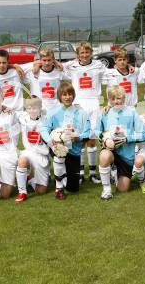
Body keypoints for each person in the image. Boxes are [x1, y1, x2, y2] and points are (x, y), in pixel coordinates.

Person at [62, 41, 106, 184]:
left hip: (93, 102)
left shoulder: (99, 65)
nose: (85, 55)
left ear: (91, 53)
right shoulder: (72, 66)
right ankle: (80, 172)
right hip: (78, 103)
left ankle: (92, 173)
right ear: (77, 55)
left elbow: (113, 73)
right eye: (82, 53)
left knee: (91, 139)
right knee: (79, 139)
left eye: (87, 52)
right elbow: (58, 67)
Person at [39, 82, 91, 200]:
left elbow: (88, 132)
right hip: (57, 147)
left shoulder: (82, 113)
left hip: (74, 151)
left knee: (73, 188)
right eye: (64, 95)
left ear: (73, 95)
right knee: (60, 152)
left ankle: (62, 176)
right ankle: (59, 188)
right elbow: (43, 128)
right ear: (59, 97)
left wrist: (78, 137)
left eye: (70, 94)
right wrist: (51, 141)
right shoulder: (53, 112)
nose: (67, 97)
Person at [96, 86, 145, 200]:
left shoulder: (132, 113)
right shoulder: (104, 113)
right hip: (111, 151)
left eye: (119, 98)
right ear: (109, 99)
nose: (116, 101)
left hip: (126, 155)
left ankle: (115, 173)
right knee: (104, 155)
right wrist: (102, 137)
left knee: (123, 189)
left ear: (124, 98)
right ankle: (106, 190)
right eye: (113, 99)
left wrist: (127, 139)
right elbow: (97, 131)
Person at [15, 97, 50, 203]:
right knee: (22, 159)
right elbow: (8, 113)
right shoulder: (22, 117)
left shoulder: (47, 119)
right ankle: (22, 192)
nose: (31, 111)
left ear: (40, 108)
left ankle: (29, 179)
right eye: (29, 108)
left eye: (35, 108)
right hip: (29, 152)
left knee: (41, 191)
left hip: (42, 155)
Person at [0, 49, 27, 113]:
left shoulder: (17, 71)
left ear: (8, 62)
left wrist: (14, 65)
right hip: (0, 114)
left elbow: (36, 63)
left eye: (4, 63)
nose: (1, 65)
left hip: (18, 113)